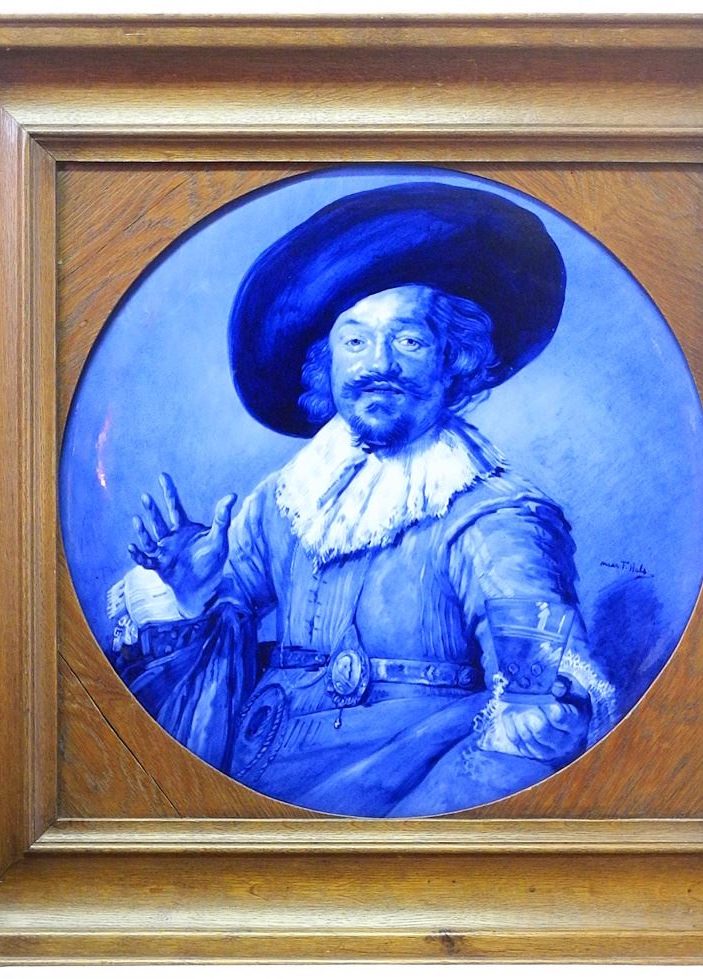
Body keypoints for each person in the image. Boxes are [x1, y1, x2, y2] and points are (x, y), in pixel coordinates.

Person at [109, 183, 617, 817]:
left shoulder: (496, 514)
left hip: (405, 791)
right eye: (355, 342)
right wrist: (192, 591)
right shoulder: (285, 500)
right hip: (251, 785)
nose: (379, 365)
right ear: (326, 364)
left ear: (454, 361)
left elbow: (536, 701)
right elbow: (206, 668)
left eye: (408, 341)